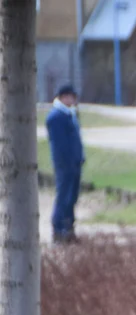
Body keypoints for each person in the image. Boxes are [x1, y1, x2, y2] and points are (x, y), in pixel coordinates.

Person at [45, 84, 85, 243]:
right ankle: (58, 228)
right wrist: (66, 161)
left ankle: (69, 228)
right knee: (64, 196)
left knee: (72, 196)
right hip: (64, 164)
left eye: (72, 97)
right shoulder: (56, 116)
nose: (71, 100)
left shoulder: (71, 114)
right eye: (68, 97)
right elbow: (60, 144)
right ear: (61, 97)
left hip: (75, 162)